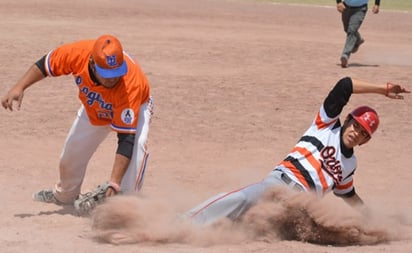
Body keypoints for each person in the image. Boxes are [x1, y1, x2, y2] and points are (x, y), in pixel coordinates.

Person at [185, 77, 409, 226]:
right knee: (243, 199)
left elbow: (347, 194)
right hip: (279, 185)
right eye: (356, 125)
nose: (356, 133)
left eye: (363, 133)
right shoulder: (327, 123)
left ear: (365, 141)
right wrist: (383, 89)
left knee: (254, 227)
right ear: (348, 120)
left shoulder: (350, 165)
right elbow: (345, 85)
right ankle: (187, 222)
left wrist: (372, 218)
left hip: (300, 208)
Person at [1, 35, 153, 213]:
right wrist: (20, 86)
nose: (112, 79)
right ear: (92, 63)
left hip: (135, 104)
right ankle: (65, 195)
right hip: (94, 107)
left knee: (137, 149)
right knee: (71, 155)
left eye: (116, 73)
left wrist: (114, 183)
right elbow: (45, 65)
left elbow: (126, 139)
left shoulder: (129, 85)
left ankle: (127, 207)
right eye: (106, 74)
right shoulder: (77, 54)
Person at [337, 0, 381, 68]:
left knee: (352, 30)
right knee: (347, 29)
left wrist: (377, 4)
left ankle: (345, 55)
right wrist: (339, 2)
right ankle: (358, 39)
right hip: (346, 6)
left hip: (360, 8)